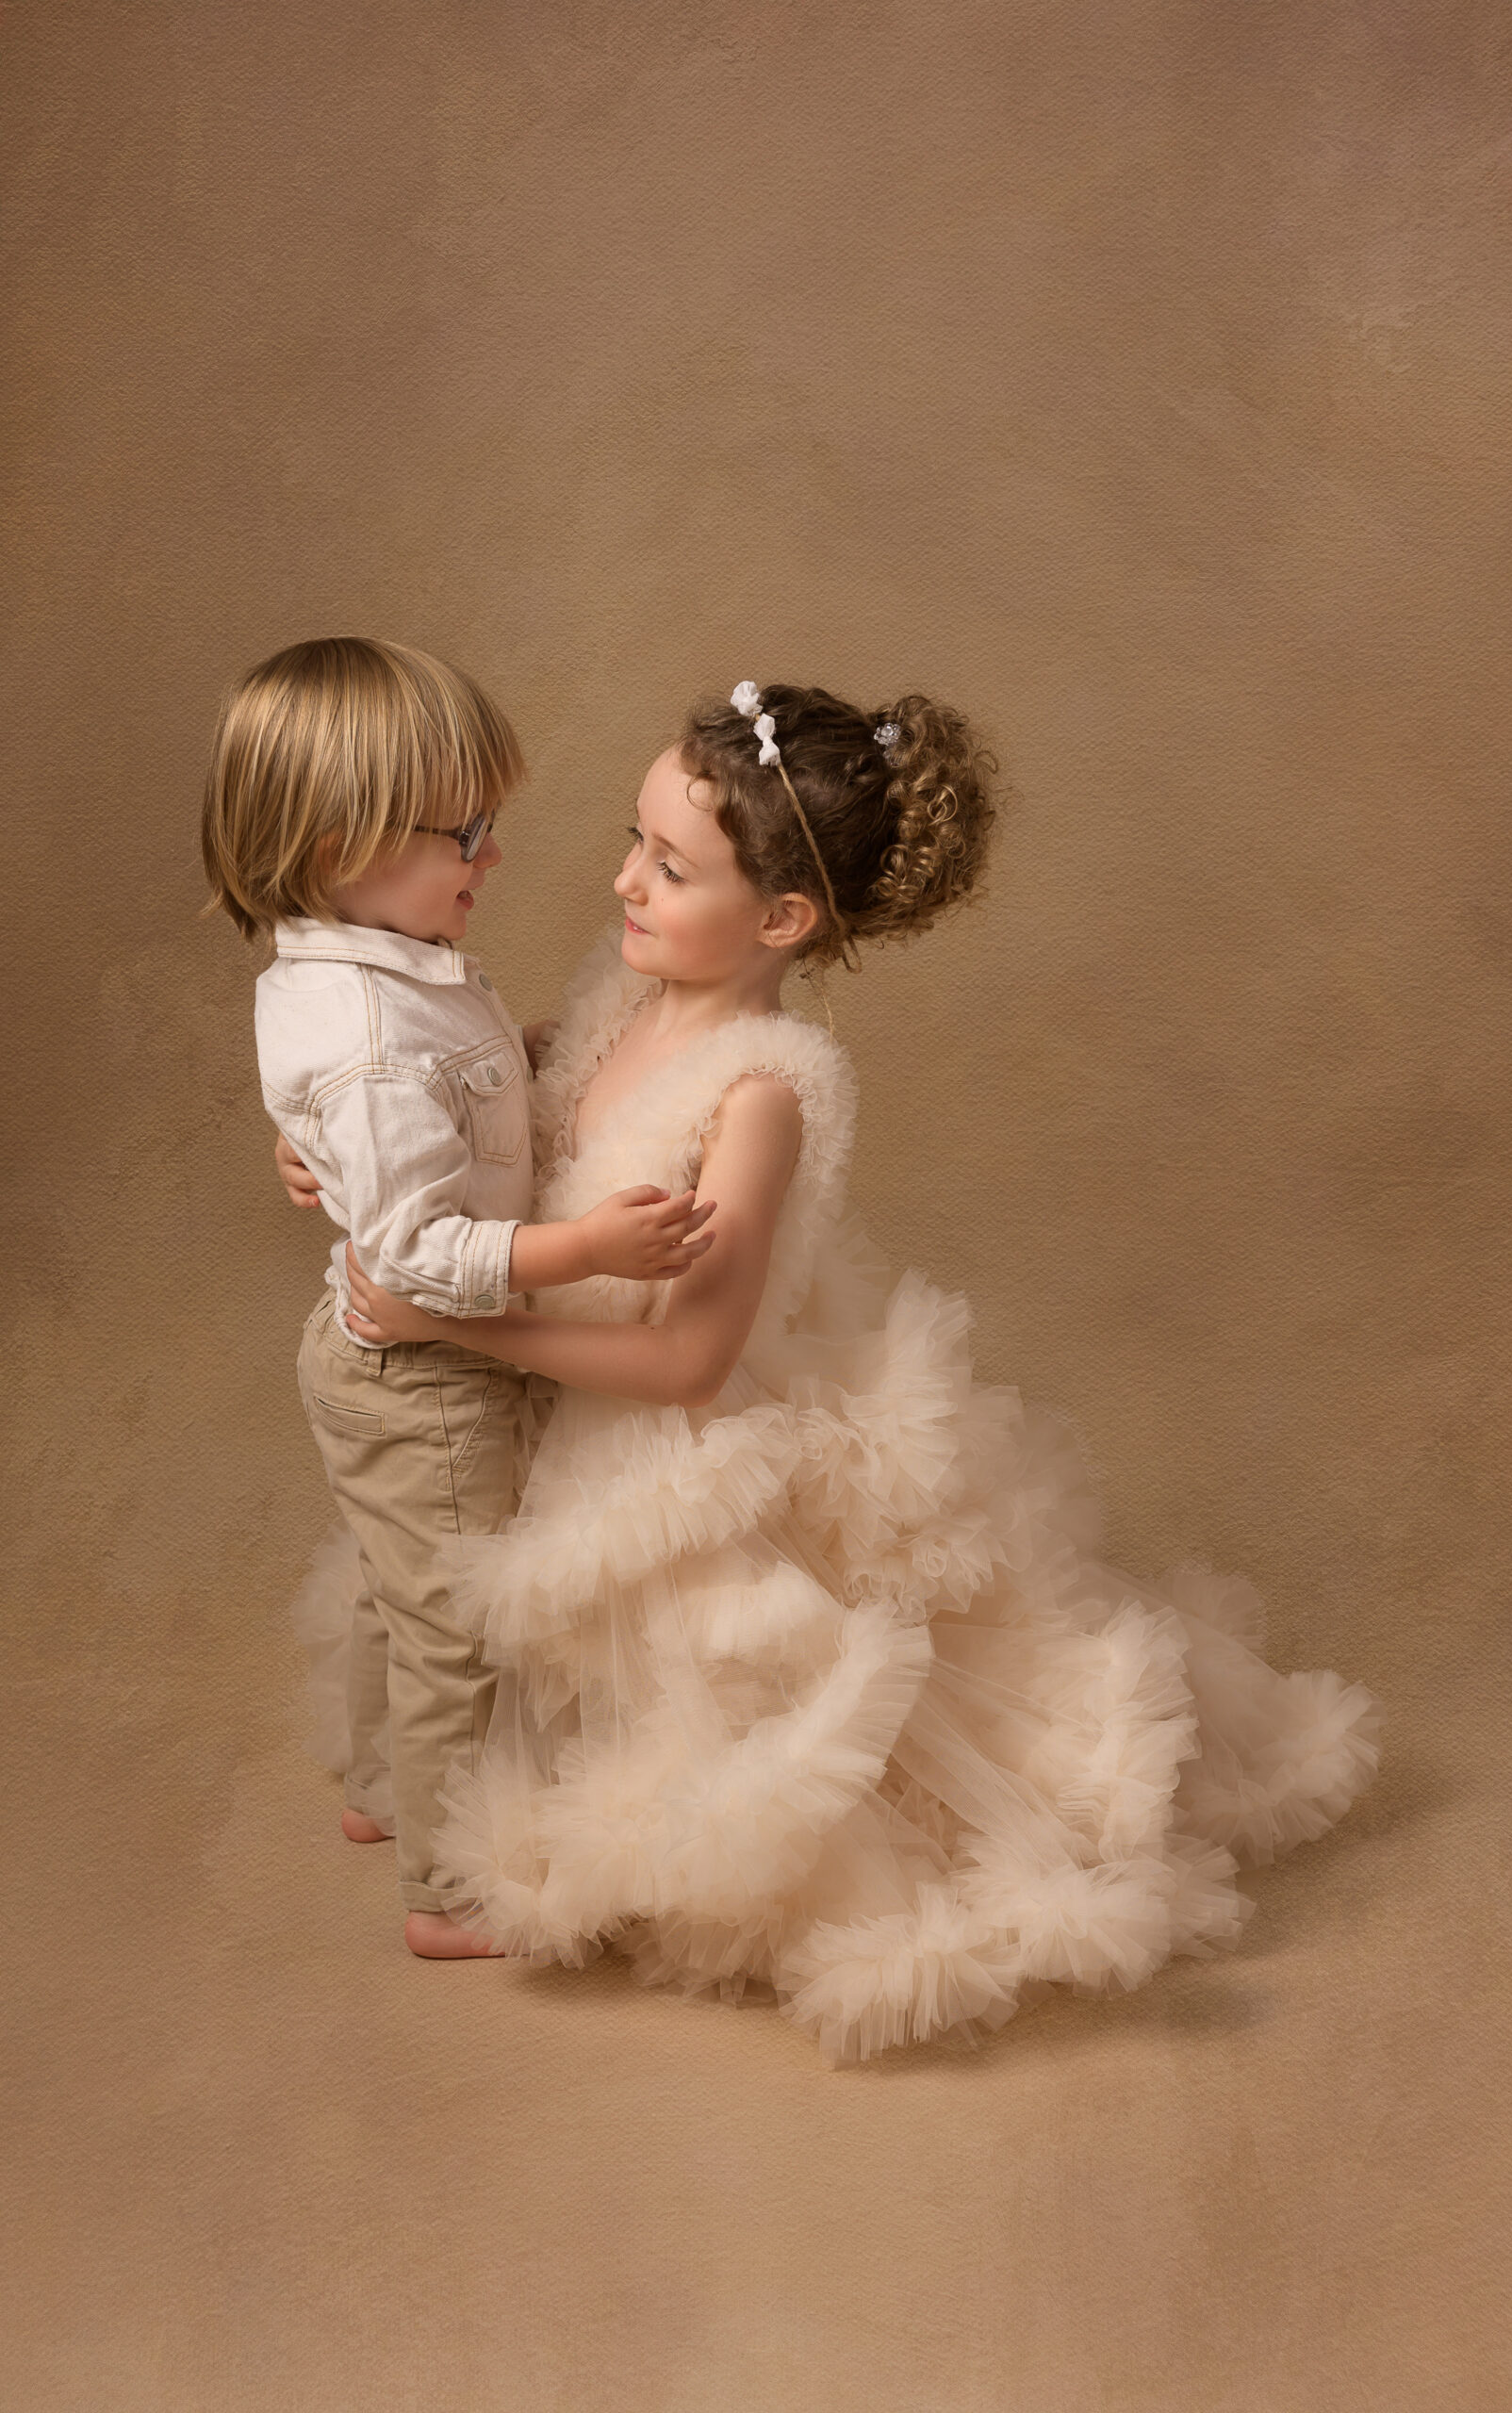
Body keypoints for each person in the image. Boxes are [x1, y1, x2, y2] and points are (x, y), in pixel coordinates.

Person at [327, 675, 1381, 2057]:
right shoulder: (623, 984)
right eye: (637, 841)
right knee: (426, 1596)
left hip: (658, 1443)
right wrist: (350, 1145)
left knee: (677, 1719)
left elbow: (692, 1361)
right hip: (548, 1388)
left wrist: (450, 1325)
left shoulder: (760, 1095)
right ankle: (417, 1774)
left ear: (781, 921)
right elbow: (492, 1111)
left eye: (670, 867)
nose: (624, 879)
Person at [203, 635, 715, 1958]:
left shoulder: (375, 962)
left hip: (385, 1363)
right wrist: (584, 1246)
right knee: (457, 1627)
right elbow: (420, 1252)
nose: (492, 856)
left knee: (399, 1590)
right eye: (465, 835)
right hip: (423, 1376)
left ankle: (385, 1789)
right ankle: (451, 1888)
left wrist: (513, 1062)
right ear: (341, 849)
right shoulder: (373, 1036)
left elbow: (399, 1112)